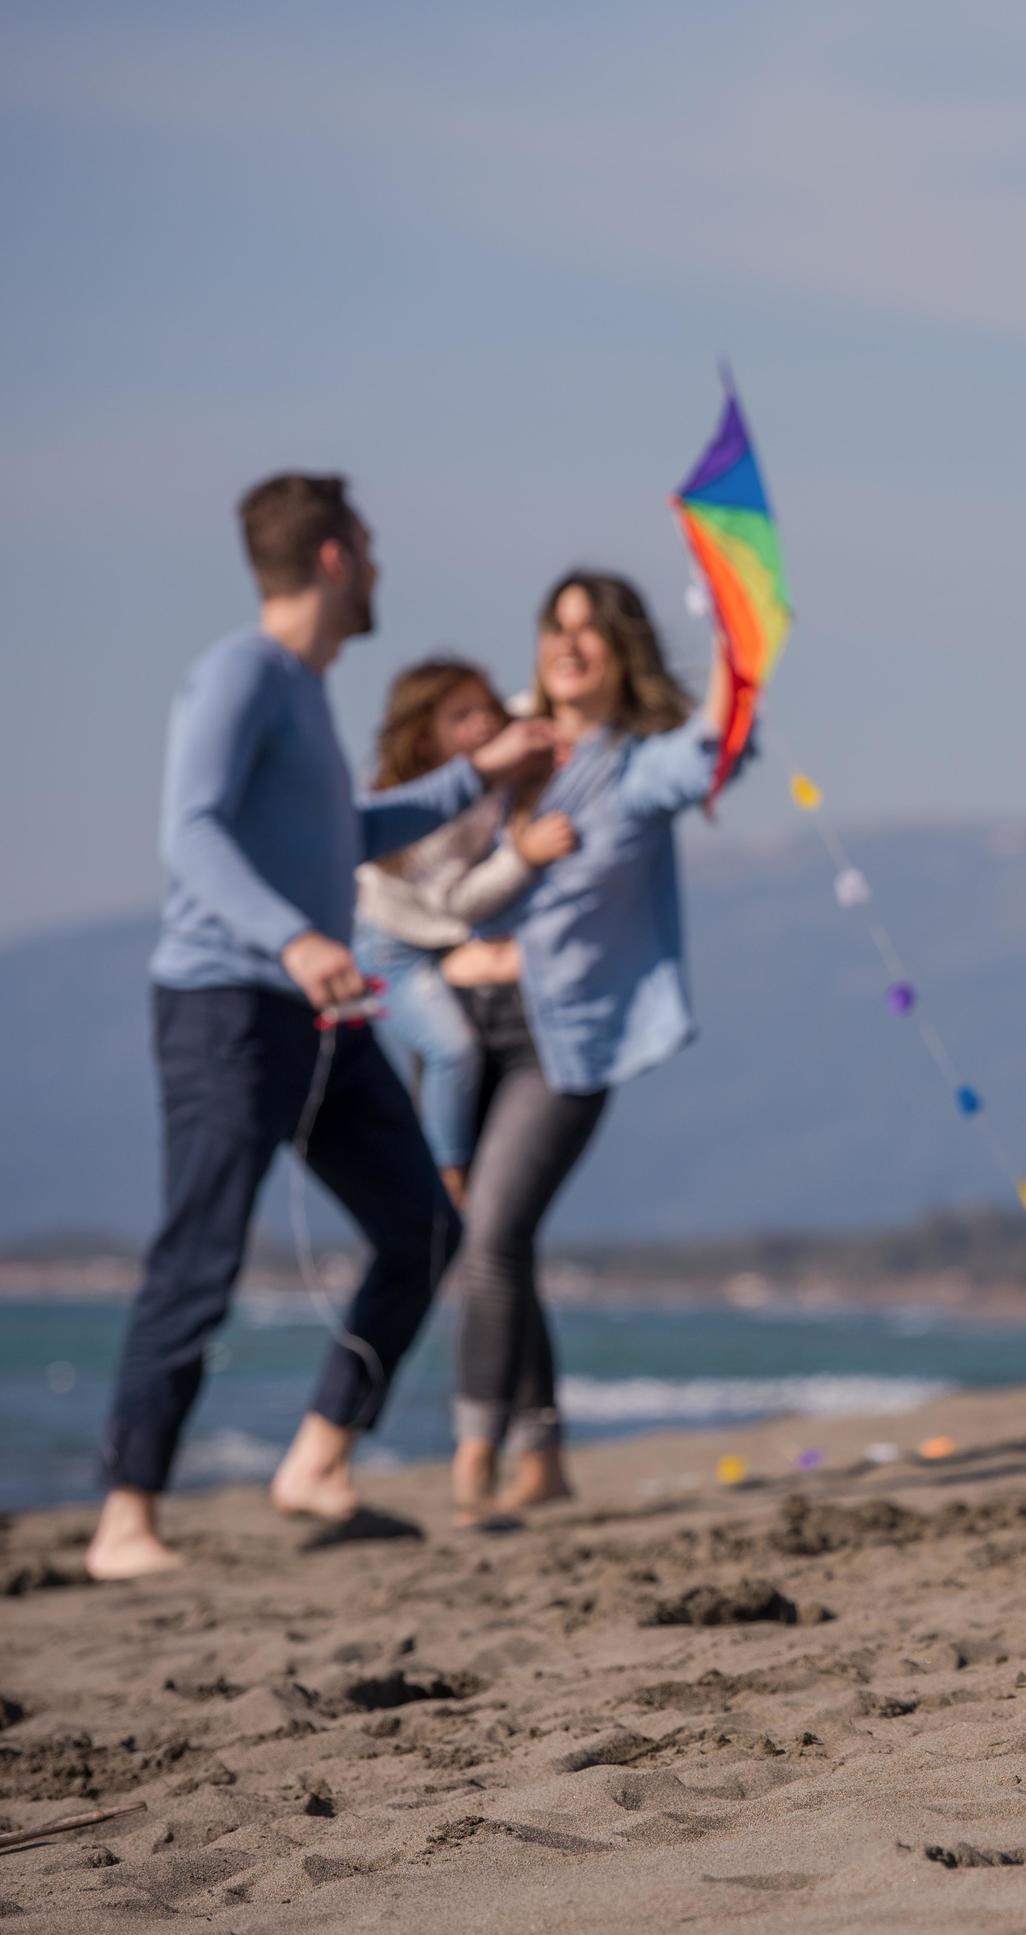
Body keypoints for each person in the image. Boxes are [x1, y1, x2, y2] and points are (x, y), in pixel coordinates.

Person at [90, 474, 556, 1582]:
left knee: (420, 1229)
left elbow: (344, 829)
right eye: (373, 546)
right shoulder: (240, 673)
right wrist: (295, 939)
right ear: (337, 557)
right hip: (228, 1008)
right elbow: (191, 830)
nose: (383, 569)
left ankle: (315, 1458)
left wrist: (476, 779)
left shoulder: (302, 690)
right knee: (200, 1255)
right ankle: (123, 1519)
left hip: (321, 1012)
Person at [447, 570, 748, 1522]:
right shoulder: (498, 745)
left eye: (592, 632)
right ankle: (546, 1450)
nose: (569, 645)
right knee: (501, 1238)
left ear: (624, 654)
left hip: (564, 1040)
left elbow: (713, 757)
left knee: (490, 1234)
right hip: (453, 1029)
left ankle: (471, 1463)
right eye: (555, 627)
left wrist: (740, 656)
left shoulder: (636, 765)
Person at [352, 658, 580, 1207]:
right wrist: (522, 857)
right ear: (426, 742)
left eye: (486, 706)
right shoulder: (422, 815)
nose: (481, 723)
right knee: (452, 1050)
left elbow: (536, 702)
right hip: (392, 949)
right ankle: (448, 1176)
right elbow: (458, 900)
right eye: (460, 717)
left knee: (452, 1055)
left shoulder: (503, 742)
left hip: (446, 943)